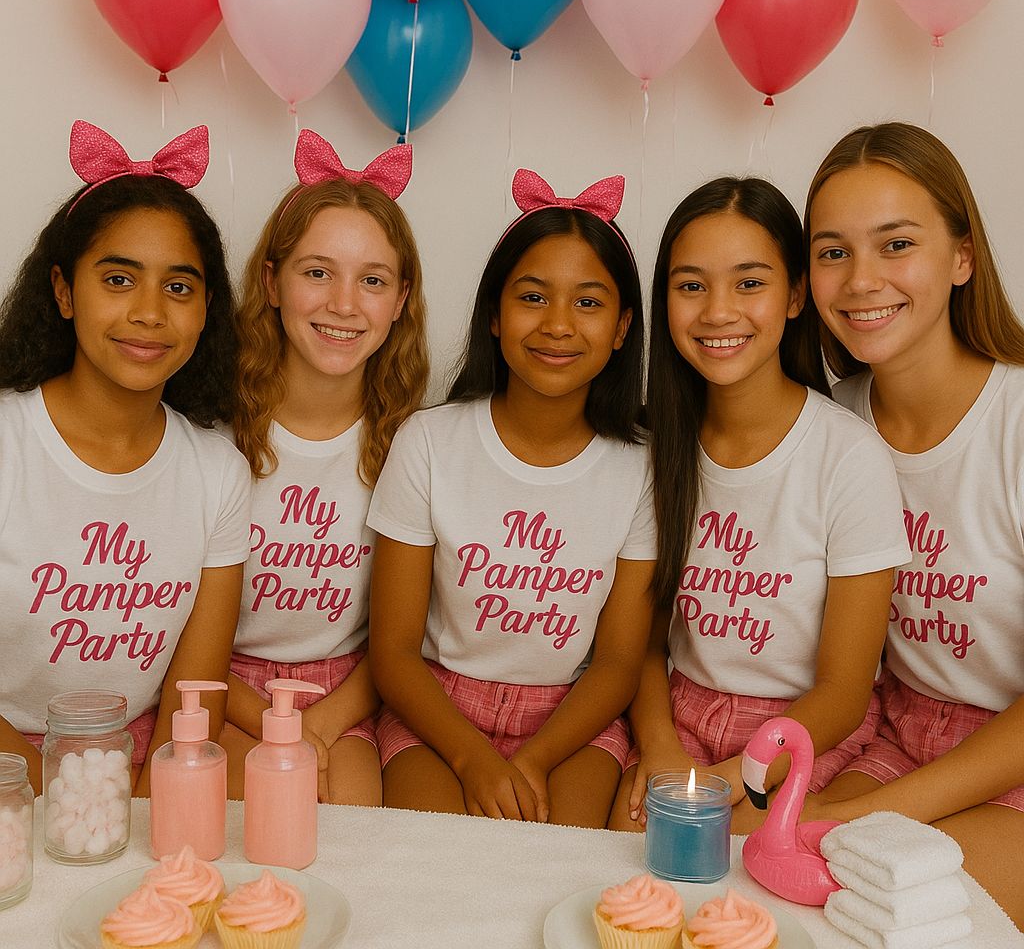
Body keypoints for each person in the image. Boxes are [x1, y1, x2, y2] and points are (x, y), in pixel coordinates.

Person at [610, 177, 908, 834]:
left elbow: (844, 692)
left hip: (803, 732)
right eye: (691, 285)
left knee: (736, 868)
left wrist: (733, 775)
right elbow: (645, 645)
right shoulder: (656, 447)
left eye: (749, 283)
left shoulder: (848, 456)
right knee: (630, 863)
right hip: (677, 719)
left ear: (796, 294)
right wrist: (659, 746)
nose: (718, 312)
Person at [367, 169, 655, 827]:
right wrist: (472, 759)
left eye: (588, 302)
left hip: (573, 717)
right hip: (440, 711)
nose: (558, 324)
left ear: (621, 327)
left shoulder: (640, 468)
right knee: (435, 862)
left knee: (561, 864)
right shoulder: (430, 441)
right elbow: (394, 651)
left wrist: (535, 757)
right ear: (494, 315)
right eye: (533, 297)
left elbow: (616, 662)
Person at [804, 122, 1024, 925]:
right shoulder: (829, 426)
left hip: (1007, 752)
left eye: (896, 245)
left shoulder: (1015, 420)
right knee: (787, 891)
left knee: (920, 919)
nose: (862, 281)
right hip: (892, 734)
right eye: (832, 252)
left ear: (963, 256)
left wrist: (870, 816)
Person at [0, 120, 250, 794]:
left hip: (147, 756)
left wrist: (147, 806)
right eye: (118, 279)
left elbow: (194, 696)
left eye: (179, 287)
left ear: (206, 310)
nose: (150, 312)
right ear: (63, 291)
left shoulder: (217, 473)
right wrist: (61, 796)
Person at [223, 132, 428, 805]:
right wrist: (273, 725)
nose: (344, 304)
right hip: (227, 690)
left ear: (400, 300)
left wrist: (320, 725)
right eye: (317, 272)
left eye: (371, 281)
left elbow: (404, 636)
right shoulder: (214, 434)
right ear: (271, 281)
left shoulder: (413, 444)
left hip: (349, 694)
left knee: (352, 842)